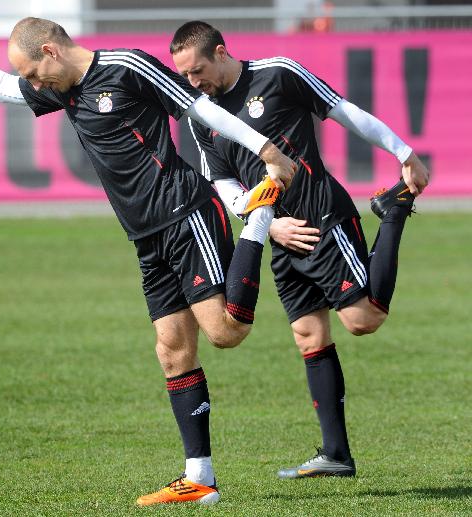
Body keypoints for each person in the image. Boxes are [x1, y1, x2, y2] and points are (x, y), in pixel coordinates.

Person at [0, 13, 297, 506]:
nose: (30, 84)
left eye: (32, 72)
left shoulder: (126, 67)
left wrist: (264, 148)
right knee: (171, 350)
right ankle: (200, 479)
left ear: (50, 51)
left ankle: (258, 220)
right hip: (145, 235)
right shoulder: (62, 89)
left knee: (225, 333)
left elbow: (198, 109)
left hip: (185, 213)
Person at [170, 21, 429, 479]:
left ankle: (392, 210)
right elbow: (224, 184)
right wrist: (267, 227)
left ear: (222, 52)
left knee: (363, 320)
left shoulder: (278, 73)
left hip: (323, 216)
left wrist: (403, 152)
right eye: (186, 77)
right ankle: (336, 454)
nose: (194, 83)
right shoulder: (201, 116)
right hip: (280, 233)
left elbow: (344, 111)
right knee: (310, 336)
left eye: (197, 71)